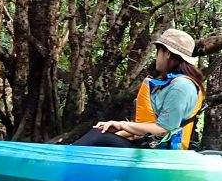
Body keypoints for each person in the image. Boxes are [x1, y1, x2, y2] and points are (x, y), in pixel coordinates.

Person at [74, 28, 205, 149]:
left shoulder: (181, 86)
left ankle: (65, 161)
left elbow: (164, 129)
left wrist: (122, 124)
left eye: (158, 51)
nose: (157, 57)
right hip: (150, 146)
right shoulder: (173, 83)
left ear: (167, 54)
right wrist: (118, 130)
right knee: (100, 132)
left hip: (161, 154)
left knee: (99, 138)